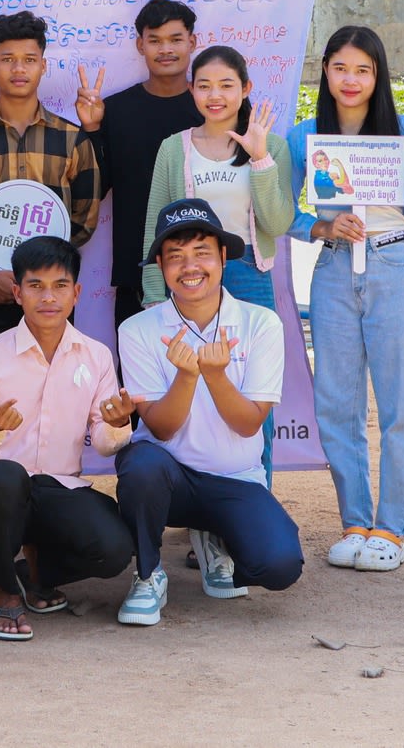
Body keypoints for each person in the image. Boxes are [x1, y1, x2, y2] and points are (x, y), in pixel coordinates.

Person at [286, 25, 404, 572]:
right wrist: (321, 229)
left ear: (378, 75)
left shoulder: (401, 130)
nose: (351, 80)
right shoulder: (304, 135)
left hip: (394, 264)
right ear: (325, 71)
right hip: (332, 273)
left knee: (399, 406)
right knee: (336, 404)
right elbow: (283, 212)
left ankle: (391, 529)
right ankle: (355, 521)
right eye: (340, 68)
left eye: (363, 69)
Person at [113, 199, 304, 626]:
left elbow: (249, 422)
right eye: (175, 256)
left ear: (222, 256)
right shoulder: (138, 329)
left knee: (279, 566)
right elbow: (159, 429)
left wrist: (215, 376)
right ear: (160, 265)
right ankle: (148, 574)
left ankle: (215, 536)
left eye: (201, 252)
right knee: (140, 463)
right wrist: (186, 377)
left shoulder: (261, 323)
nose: (189, 267)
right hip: (170, 480)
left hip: (234, 479)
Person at [0, 235, 137, 641]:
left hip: (58, 488)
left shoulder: (96, 356)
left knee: (114, 550)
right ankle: (4, 593)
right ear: (17, 293)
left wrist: (119, 424)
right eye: (36, 286)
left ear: (76, 293)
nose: (48, 297)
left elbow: (105, 442)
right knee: (5, 476)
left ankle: (33, 572)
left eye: (59, 286)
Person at [140, 45, 296, 483]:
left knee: (251, 395)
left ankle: (255, 494)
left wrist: (260, 157)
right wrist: (155, 293)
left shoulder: (273, 145)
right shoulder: (175, 149)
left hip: (250, 277)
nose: (216, 95)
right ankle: (199, 517)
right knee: (190, 394)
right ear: (191, 90)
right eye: (204, 85)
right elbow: (157, 225)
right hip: (188, 280)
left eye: (227, 85)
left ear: (245, 88)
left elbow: (278, 221)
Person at [0, 10, 103, 354]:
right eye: (7, 59)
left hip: (50, 302)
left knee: (56, 399)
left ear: (43, 65)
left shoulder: (72, 139)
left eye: (29, 59)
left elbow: (85, 218)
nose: (18, 69)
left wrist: (43, 275)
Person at [72, 0, 202, 328]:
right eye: (155, 40)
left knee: (207, 373)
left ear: (193, 42)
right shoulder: (115, 111)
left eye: (175, 39)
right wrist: (92, 130)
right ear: (140, 45)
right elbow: (95, 189)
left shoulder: (212, 110)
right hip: (138, 270)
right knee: (134, 378)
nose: (166, 49)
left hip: (205, 268)